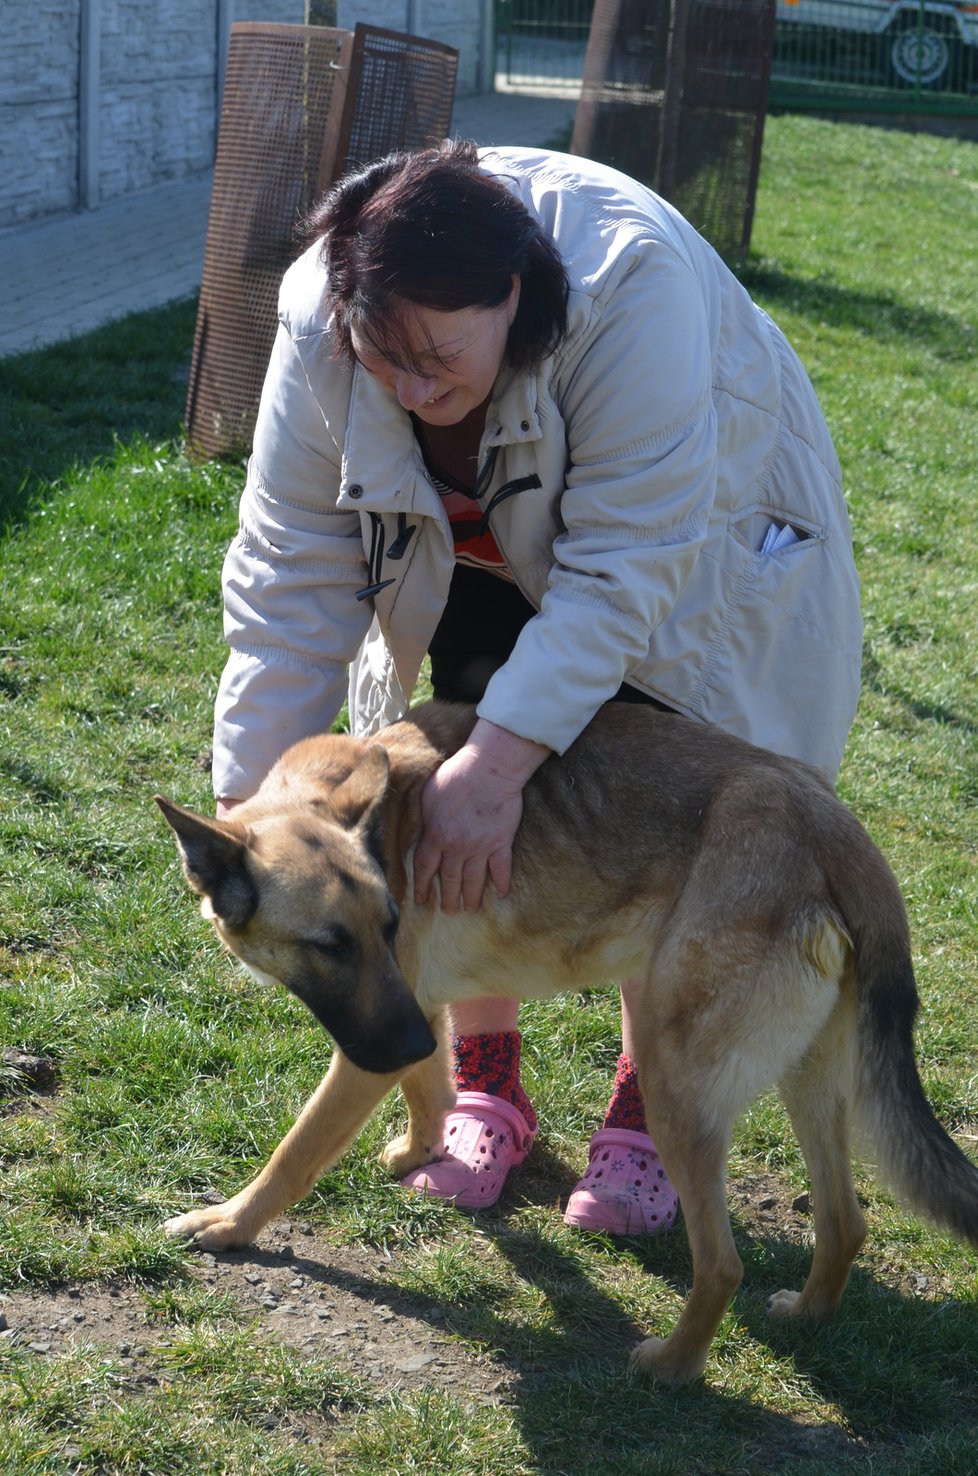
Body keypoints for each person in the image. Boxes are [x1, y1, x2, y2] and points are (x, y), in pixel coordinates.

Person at [212, 141, 862, 1236]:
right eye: (386, 358)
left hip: (681, 555)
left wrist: (504, 761)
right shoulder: (320, 312)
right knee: (433, 814)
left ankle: (645, 1105)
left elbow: (620, 575)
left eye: (438, 356)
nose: (414, 389)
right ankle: (487, 1084)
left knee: (649, 813)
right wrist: (250, 815)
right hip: (461, 556)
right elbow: (291, 564)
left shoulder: (631, 283)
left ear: (511, 294)